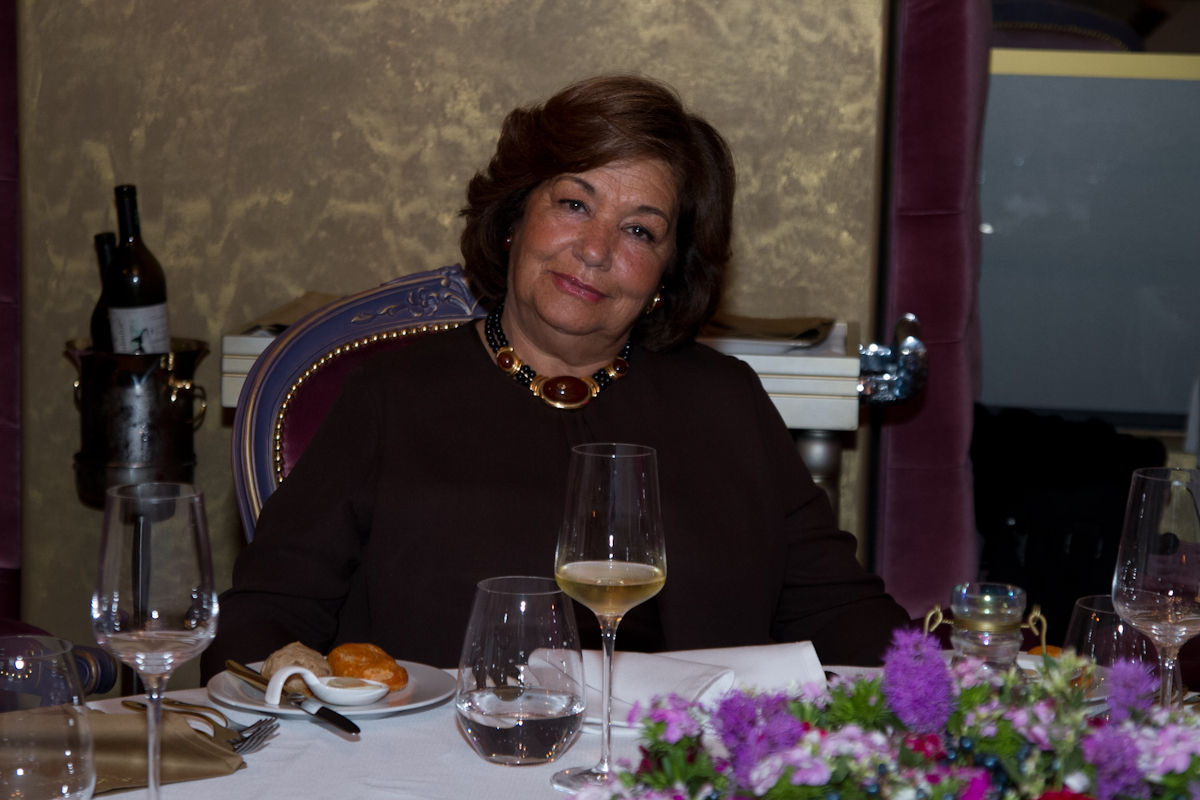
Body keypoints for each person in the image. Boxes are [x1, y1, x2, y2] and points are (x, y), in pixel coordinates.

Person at [201, 75, 909, 682]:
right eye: (574, 204)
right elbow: (267, 615)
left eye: (640, 231)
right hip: (443, 767)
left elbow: (840, 610)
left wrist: (941, 683)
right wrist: (293, 684)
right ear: (515, 218)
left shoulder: (726, 401)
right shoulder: (391, 395)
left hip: (680, 766)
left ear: (666, 275)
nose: (595, 250)